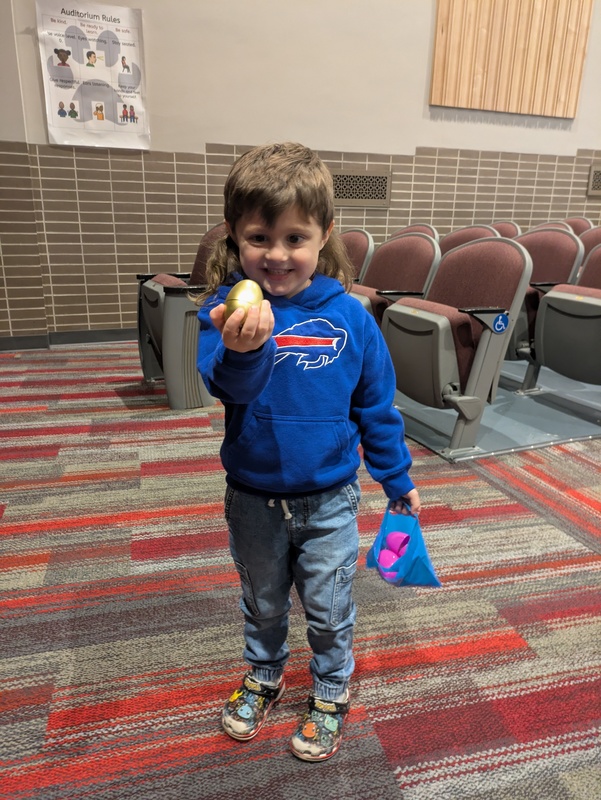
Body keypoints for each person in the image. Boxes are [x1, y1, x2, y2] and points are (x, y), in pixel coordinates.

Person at [196, 142, 421, 762]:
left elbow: (375, 407)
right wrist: (244, 349)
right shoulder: (224, 312)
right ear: (235, 236)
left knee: (328, 606)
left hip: (329, 499)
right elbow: (228, 388)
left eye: (295, 238)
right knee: (263, 601)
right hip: (253, 495)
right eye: (259, 237)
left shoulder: (353, 317)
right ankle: (264, 674)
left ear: (324, 236)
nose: (276, 254)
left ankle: (330, 690)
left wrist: (396, 477)